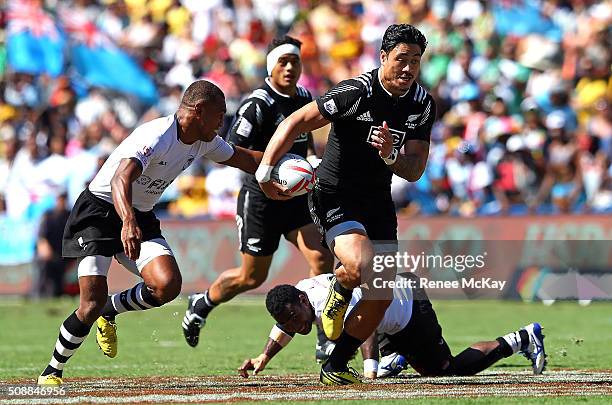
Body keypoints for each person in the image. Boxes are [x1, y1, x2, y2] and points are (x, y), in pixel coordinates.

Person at [37, 80, 263, 386]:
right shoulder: (156, 134)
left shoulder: (204, 140)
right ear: (198, 111)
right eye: (220, 114)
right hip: (101, 211)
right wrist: (127, 221)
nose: (224, 121)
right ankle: (52, 369)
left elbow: (245, 158)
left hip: (138, 214)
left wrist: (293, 165)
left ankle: (110, 309)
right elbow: (120, 179)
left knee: (167, 285)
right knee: (88, 304)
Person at [256, 24, 435, 384]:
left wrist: (391, 157)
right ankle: (341, 286)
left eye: (415, 61)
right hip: (335, 195)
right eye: (401, 58)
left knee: (380, 294)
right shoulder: (357, 92)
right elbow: (295, 121)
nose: (408, 68)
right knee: (360, 263)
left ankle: (335, 365)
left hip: (378, 202)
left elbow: (415, 169)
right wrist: (264, 171)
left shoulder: (422, 104)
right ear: (383, 57)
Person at [182, 36, 334, 362]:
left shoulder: (305, 97)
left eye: (295, 61)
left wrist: (310, 163)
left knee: (321, 260)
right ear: (270, 66)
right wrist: (271, 171)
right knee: (252, 277)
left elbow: (305, 145)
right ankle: (202, 302)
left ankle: (324, 334)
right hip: (261, 199)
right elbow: (231, 150)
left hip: (294, 199)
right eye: (283, 61)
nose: (290, 67)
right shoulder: (258, 104)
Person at [238, 274, 547, 382]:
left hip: (407, 307)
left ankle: (521, 339)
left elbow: (364, 324)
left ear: (304, 300)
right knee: (351, 340)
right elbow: (286, 326)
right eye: (288, 321)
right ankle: (392, 359)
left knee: (444, 372)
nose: (296, 326)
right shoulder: (299, 297)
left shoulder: (324, 302)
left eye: (295, 317)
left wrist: (369, 371)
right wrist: (264, 357)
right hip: (386, 311)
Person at [36, 192, 72, 297]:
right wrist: (46, 251)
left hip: (63, 253)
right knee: (44, 268)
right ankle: (38, 295)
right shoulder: (49, 215)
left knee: (59, 279)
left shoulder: (69, 215)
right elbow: (42, 237)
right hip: (49, 252)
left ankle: (58, 294)